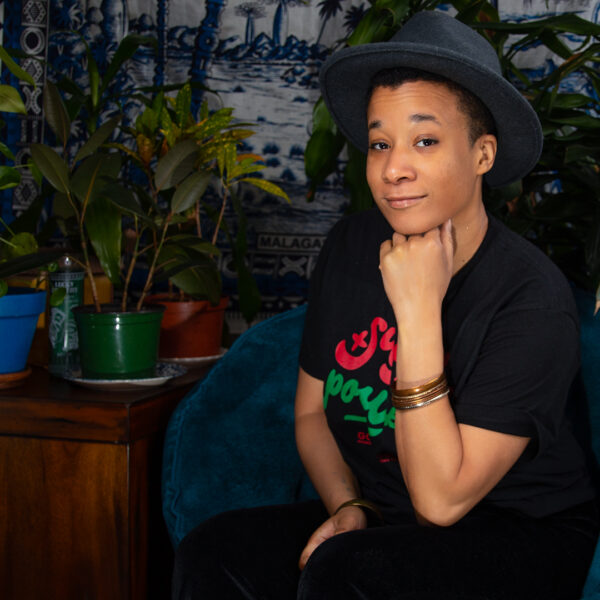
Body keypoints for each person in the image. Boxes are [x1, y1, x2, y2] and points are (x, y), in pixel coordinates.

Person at [173, 11, 599, 599]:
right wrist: (348, 505)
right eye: (380, 143)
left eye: (425, 140)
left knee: (347, 574)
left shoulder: (531, 298)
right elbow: (310, 413)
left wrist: (419, 308)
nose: (394, 169)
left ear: (482, 155)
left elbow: (443, 502)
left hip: (516, 532)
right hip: (387, 517)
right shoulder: (352, 246)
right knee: (216, 553)